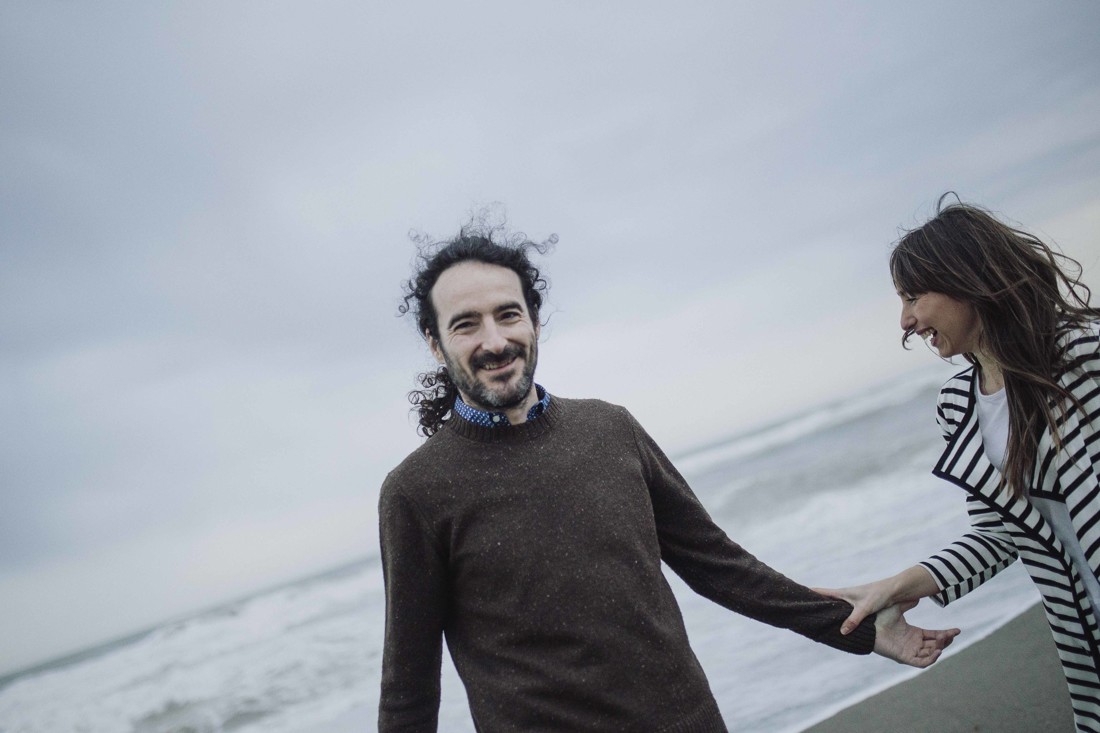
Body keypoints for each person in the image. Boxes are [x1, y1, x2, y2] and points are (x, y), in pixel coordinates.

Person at [378, 223, 958, 732]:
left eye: (508, 314)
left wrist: (857, 630)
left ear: (533, 319)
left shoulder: (609, 429)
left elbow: (719, 566)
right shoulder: (416, 492)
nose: (495, 340)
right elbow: (409, 687)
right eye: (466, 324)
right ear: (435, 343)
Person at [817, 195, 1100, 732]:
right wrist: (895, 587)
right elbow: (1001, 535)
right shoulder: (959, 407)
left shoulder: (1086, 358)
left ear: (965, 280)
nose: (905, 320)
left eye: (913, 296)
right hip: (1085, 633)